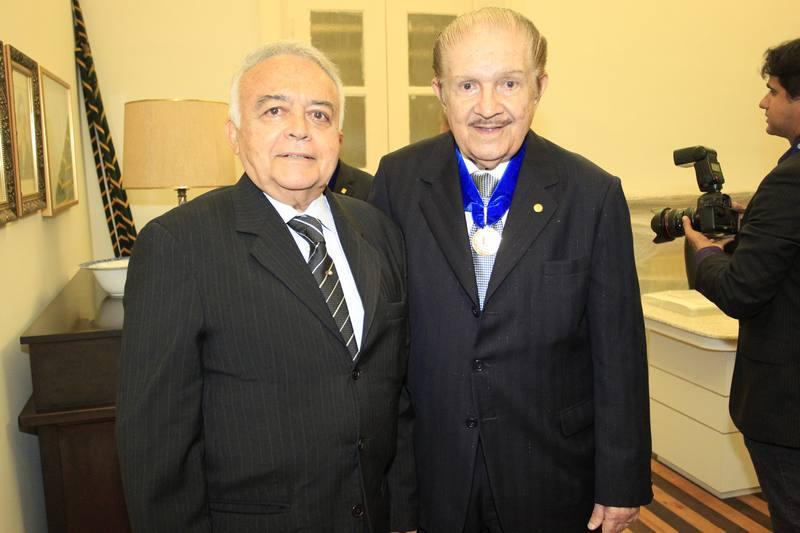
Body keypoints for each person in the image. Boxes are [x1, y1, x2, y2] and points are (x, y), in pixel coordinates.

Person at [369, 7, 652, 533]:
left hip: (551, 472)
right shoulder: (397, 180)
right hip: (433, 469)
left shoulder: (592, 194)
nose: (488, 107)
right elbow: (385, 346)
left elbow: (619, 354)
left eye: (509, 83)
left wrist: (621, 480)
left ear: (539, 87)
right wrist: (394, 490)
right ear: (440, 92)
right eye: (467, 85)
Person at [116, 41, 417, 533]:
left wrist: (405, 517)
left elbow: (394, 394)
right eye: (274, 110)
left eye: (319, 115)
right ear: (234, 135)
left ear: (338, 138)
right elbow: (156, 445)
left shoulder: (378, 230)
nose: (300, 128)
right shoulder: (178, 245)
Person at [684, 38, 800, 533]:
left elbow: (740, 292)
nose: (762, 102)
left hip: (788, 413)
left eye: (773, 91)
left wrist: (702, 250)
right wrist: (757, 223)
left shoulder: (790, 181)